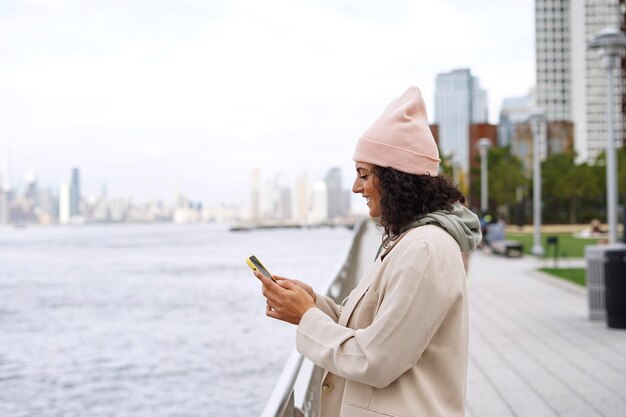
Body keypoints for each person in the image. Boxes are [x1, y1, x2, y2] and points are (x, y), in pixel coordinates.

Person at [254, 86, 482, 417]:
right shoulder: (409, 242)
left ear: (395, 180)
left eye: (364, 174)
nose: (355, 187)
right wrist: (312, 302)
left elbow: (377, 359)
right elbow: (374, 332)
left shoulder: (425, 250)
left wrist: (306, 317)